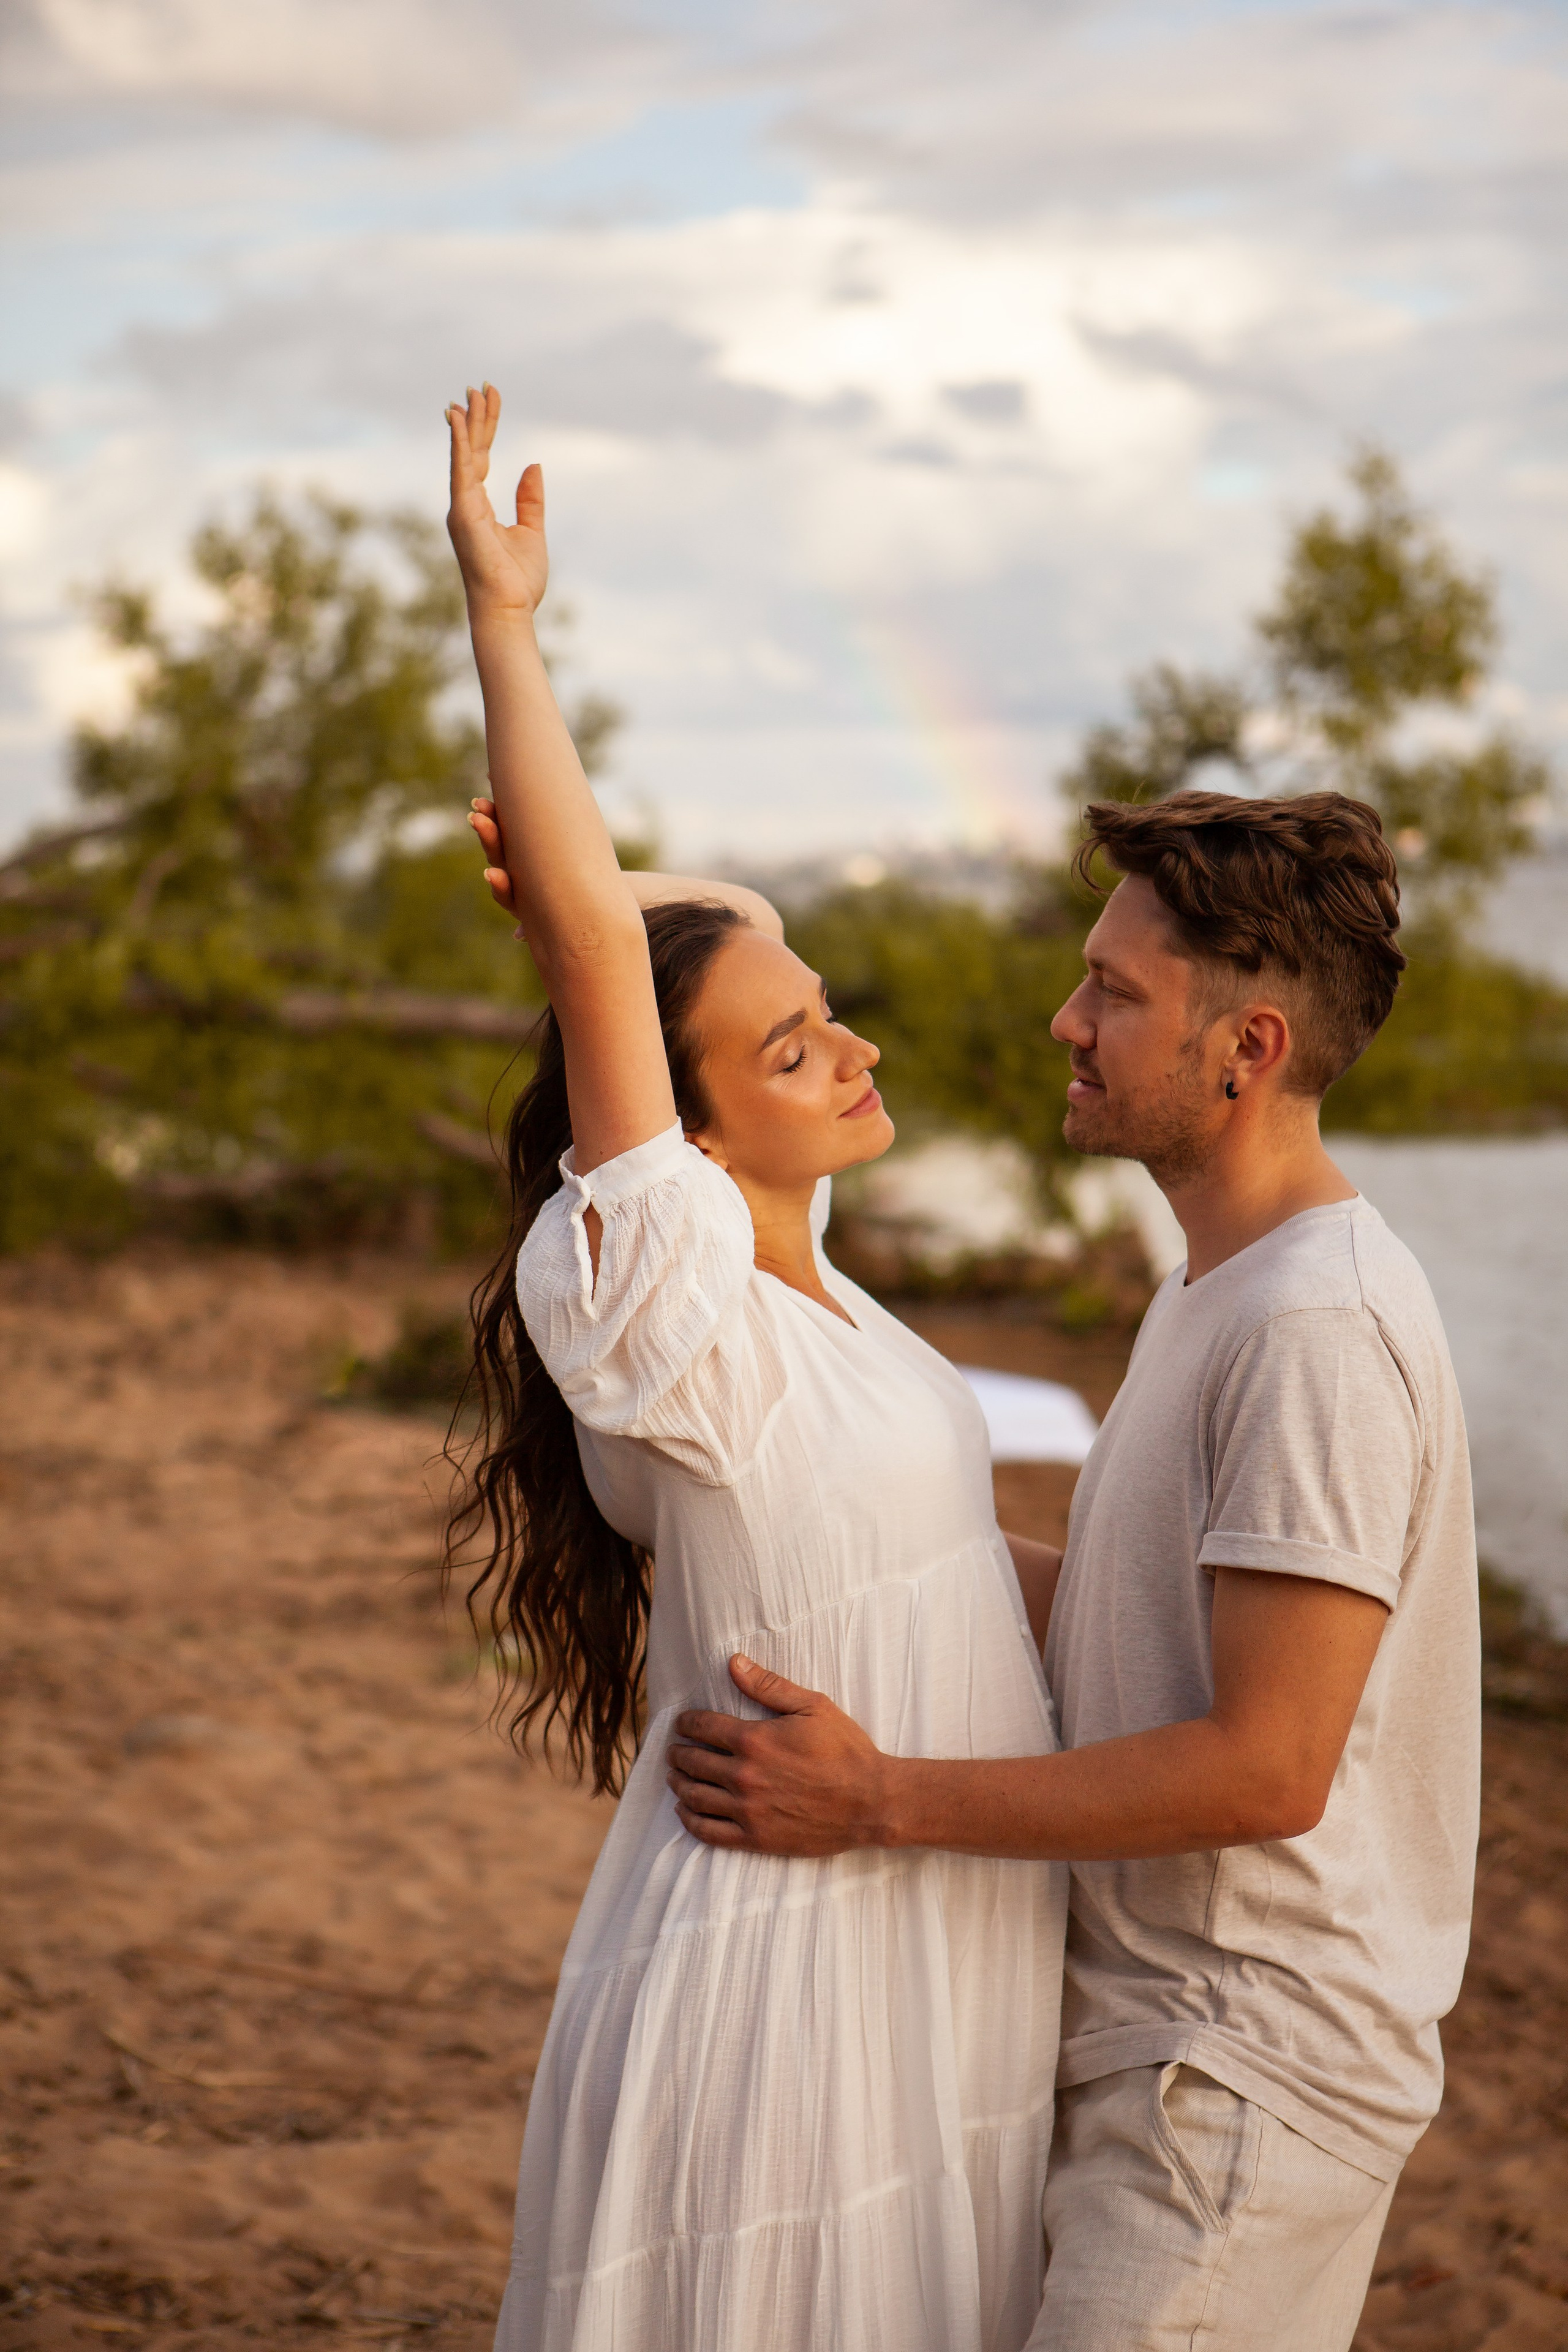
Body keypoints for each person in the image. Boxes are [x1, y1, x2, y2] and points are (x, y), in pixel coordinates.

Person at [668, 790, 1481, 2352]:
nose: (1065, 1018)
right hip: (1157, 2051)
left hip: (1234, 2083)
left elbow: (1264, 1768)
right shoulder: (1222, 1284)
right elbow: (1124, 1606)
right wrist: (829, 1532)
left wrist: (880, 1800)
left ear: (1243, 1050)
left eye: (1113, 992)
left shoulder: (1312, 1329)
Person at [443, 383, 1068, 2352]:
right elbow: (608, 985)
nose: (857, 1051)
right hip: (788, 1975)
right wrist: (509, 631)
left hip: (928, 1943)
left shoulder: (834, 1304)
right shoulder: (679, 1313)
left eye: (835, 1019)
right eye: (796, 1051)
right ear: (687, 1146)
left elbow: (727, 940)